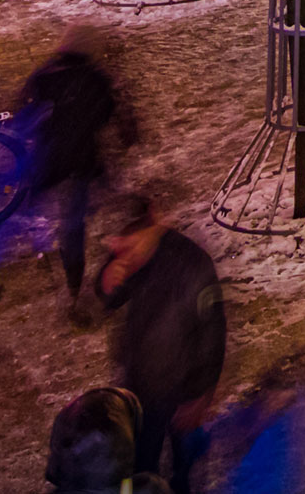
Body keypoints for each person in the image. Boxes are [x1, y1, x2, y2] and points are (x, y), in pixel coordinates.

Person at [100, 190, 227, 494]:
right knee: (140, 463)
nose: (124, 255)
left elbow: (213, 333)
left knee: (185, 461)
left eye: (130, 246)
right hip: (139, 384)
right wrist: (106, 282)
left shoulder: (192, 265)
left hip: (182, 387)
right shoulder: (131, 256)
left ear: (153, 227)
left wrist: (201, 395)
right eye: (118, 248)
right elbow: (111, 296)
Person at [3, 27, 133, 316]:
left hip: (51, 159)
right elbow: (109, 116)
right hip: (82, 162)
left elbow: (23, 110)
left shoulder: (46, 75)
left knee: (54, 211)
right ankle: (75, 284)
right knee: (74, 223)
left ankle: (56, 267)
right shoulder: (96, 79)